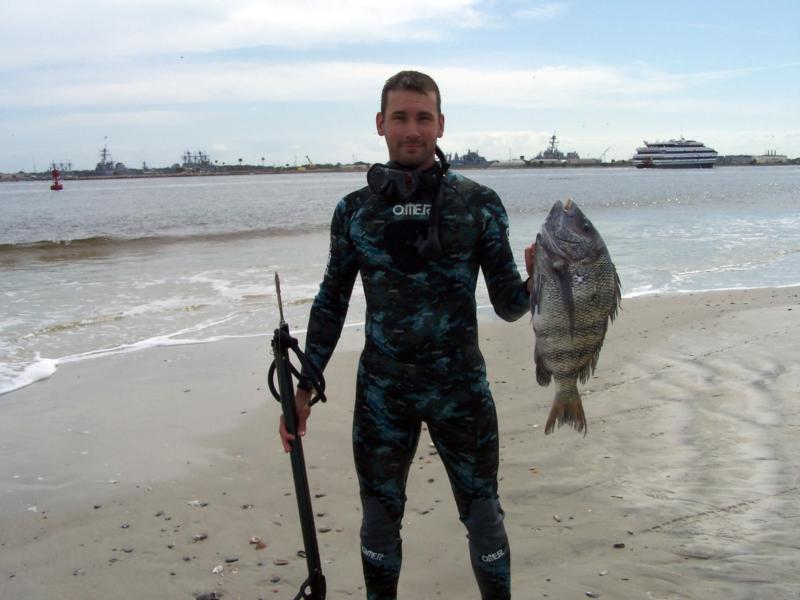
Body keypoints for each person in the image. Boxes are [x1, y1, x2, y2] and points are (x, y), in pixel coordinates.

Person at [279, 70, 534, 600]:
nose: (412, 129)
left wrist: (545, 279)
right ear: (381, 124)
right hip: (382, 394)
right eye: (401, 117)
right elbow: (331, 302)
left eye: (423, 117)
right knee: (377, 521)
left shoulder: (480, 204)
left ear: (441, 124)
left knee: (483, 514)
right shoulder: (354, 211)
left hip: (460, 390)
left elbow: (511, 306)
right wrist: (304, 389)